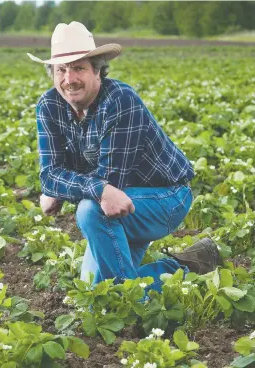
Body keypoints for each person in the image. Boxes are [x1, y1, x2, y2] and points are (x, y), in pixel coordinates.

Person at [27, 21, 221, 291]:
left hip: (165, 197)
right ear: (53, 74)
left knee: (90, 211)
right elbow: (49, 175)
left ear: (97, 70)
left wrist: (61, 190)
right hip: (119, 201)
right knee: (95, 289)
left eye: (79, 68)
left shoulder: (119, 100)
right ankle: (190, 265)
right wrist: (56, 187)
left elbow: (109, 184)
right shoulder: (49, 105)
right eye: (61, 70)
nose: (69, 79)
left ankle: (127, 300)